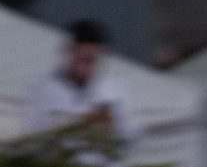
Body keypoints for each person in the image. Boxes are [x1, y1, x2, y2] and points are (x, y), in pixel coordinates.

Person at [23, 19, 131, 150]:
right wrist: (80, 123)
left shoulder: (112, 90)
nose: (86, 68)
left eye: (92, 61)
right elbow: (32, 135)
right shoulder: (44, 88)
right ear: (69, 52)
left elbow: (125, 139)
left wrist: (111, 126)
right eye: (82, 60)